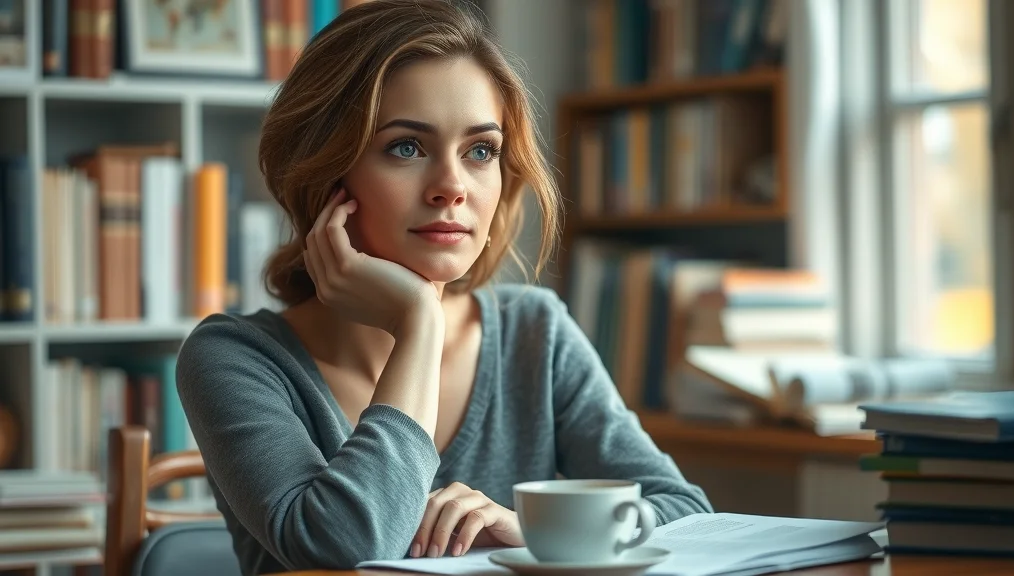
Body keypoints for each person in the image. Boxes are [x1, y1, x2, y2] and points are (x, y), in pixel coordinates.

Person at [175, 0, 713, 574]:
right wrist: (419, 325)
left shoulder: (535, 332)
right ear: (324, 171)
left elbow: (688, 512)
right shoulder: (234, 358)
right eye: (406, 146)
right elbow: (345, 547)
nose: (452, 187)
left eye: (480, 151)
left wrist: (532, 528)